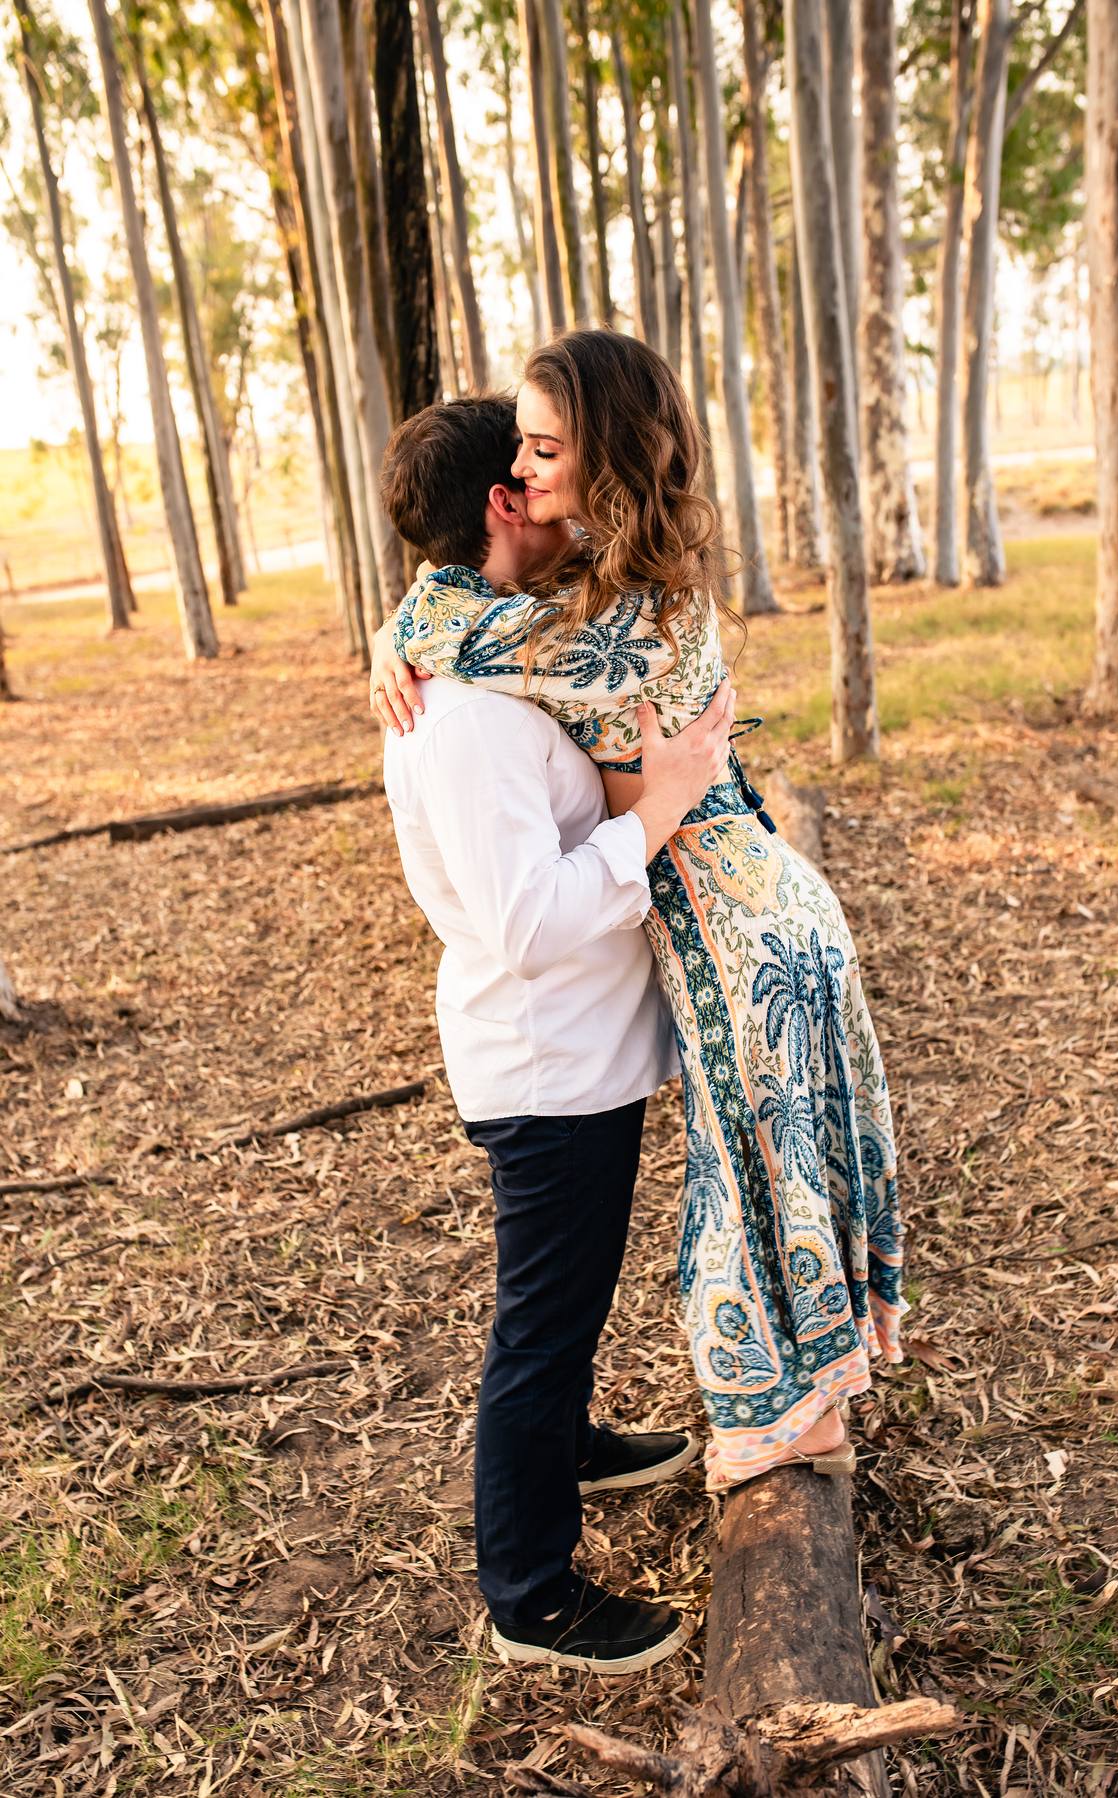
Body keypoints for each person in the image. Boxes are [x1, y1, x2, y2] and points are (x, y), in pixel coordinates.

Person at [373, 330, 905, 1500]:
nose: (523, 469)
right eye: (519, 450)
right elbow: (463, 615)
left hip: (740, 925)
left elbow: (461, 626)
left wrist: (397, 635)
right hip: (742, 904)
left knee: (753, 1183)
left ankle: (791, 1422)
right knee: (767, 1173)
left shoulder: (610, 626)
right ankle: (805, 1401)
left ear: (601, 454)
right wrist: (396, 634)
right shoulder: (613, 578)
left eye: (544, 446)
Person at [376, 394, 737, 1676]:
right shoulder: (467, 718)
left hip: (574, 1051)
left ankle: (569, 1446)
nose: (552, 485)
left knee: (565, 1307)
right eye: (531, 468)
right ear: (500, 504)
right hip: (545, 1065)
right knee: (539, 1325)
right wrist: (660, 809)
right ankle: (528, 1594)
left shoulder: (479, 646)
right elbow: (527, 921)